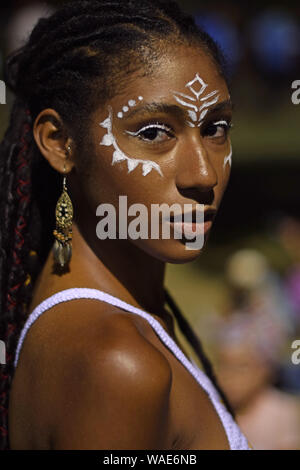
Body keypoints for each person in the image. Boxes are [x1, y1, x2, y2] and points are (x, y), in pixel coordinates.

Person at [0, 0, 251, 450]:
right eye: (154, 132)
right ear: (60, 144)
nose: (203, 174)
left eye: (215, 127)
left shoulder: (127, 319)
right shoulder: (116, 361)